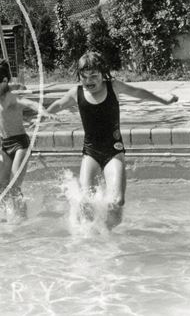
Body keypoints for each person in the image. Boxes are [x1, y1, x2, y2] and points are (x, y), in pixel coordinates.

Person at [46, 51, 178, 229]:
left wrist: (162, 100)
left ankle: (106, 233)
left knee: (117, 201)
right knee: (85, 202)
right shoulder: (76, 93)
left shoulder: (113, 87)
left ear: (103, 74)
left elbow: (138, 92)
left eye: (94, 75)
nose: (89, 81)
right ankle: (89, 236)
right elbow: (59, 104)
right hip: (90, 153)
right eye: (84, 77)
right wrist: (41, 116)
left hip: (113, 151)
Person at [0, 58, 56, 220]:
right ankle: (6, 215)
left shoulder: (10, 97)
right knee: (1, 187)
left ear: (4, 81)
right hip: (5, 145)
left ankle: (22, 218)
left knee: (14, 187)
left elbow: (30, 103)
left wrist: (44, 111)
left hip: (20, 144)